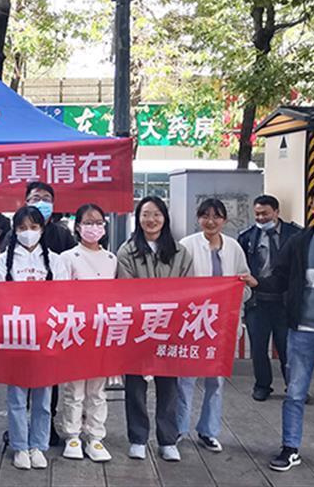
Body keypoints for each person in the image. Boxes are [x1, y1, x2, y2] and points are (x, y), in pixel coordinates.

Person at [117, 196, 193, 463]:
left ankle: (167, 440)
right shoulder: (127, 251)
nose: (151, 220)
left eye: (157, 214)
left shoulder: (180, 252)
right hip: (137, 328)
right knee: (135, 386)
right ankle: (138, 438)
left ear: (165, 218)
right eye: (146, 214)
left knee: (169, 385)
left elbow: (188, 289)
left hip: (170, 328)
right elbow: (126, 289)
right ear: (138, 219)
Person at [178, 198, 256, 454]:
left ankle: (208, 431)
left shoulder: (233, 247)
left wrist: (239, 296)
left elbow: (244, 284)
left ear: (224, 220)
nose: (210, 221)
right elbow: (176, 284)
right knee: (185, 379)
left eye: (216, 216)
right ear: (198, 218)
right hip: (193, 323)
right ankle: (178, 429)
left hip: (222, 324)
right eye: (205, 216)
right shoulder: (186, 245)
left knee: (216, 381)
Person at [0, 206, 69, 470]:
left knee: (43, 397)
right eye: (22, 228)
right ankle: (19, 446)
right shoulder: (4, 261)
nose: (28, 232)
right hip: (16, 336)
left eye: (34, 227)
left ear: (42, 229)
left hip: (45, 336)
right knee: (16, 397)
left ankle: (38, 445)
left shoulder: (54, 260)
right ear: (15, 230)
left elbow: (63, 297)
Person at [57, 203, 117, 463]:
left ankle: (95, 436)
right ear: (78, 226)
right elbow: (60, 296)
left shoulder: (112, 259)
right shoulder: (68, 257)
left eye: (98, 222)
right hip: (76, 330)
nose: (94, 227)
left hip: (102, 330)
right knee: (74, 388)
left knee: (97, 390)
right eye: (88, 222)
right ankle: (72, 435)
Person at [268, 185, 314, 472]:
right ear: (312, 206)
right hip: (302, 330)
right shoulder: (299, 242)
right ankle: (290, 448)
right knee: (295, 392)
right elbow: (279, 276)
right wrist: (255, 283)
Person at [24, 181, 75, 445]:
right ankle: (21, 426)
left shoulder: (62, 234)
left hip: (52, 318)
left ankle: (47, 425)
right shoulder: (17, 232)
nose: (40, 202)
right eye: (35, 198)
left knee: (49, 377)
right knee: (21, 376)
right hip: (21, 319)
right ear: (25, 202)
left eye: (46, 198)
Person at [238, 194, 301, 401]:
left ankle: (294, 387)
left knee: (287, 348)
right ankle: (262, 386)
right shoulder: (247, 237)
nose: (261, 218)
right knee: (258, 348)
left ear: (276, 212)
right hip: (258, 302)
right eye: (257, 214)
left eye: (265, 213)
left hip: (284, 302)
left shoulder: (295, 235)